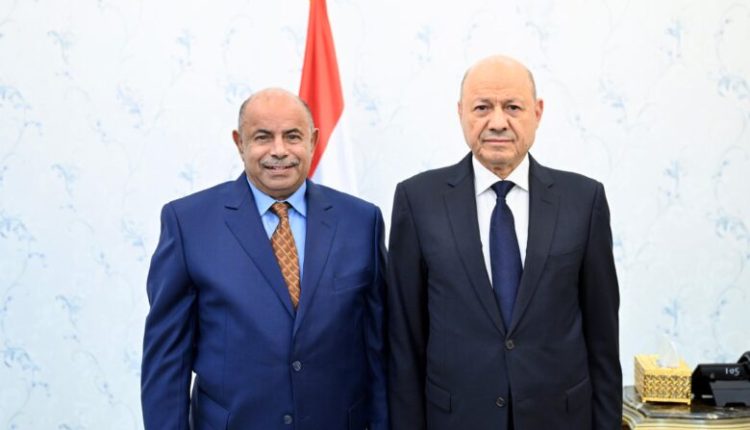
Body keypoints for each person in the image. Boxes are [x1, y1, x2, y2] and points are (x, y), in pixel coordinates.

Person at [387, 55, 622, 429]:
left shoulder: (583, 200)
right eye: (482, 108)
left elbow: (603, 339)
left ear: (537, 112)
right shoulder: (417, 201)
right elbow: (405, 340)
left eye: (513, 107)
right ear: (461, 113)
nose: (498, 122)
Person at [141, 88, 388, 430]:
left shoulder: (361, 222)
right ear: (239, 143)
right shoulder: (189, 223)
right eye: (263, 137)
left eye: (292, 136)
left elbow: (379, 351)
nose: (279, 150)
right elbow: (167, 361)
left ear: (313, 141)